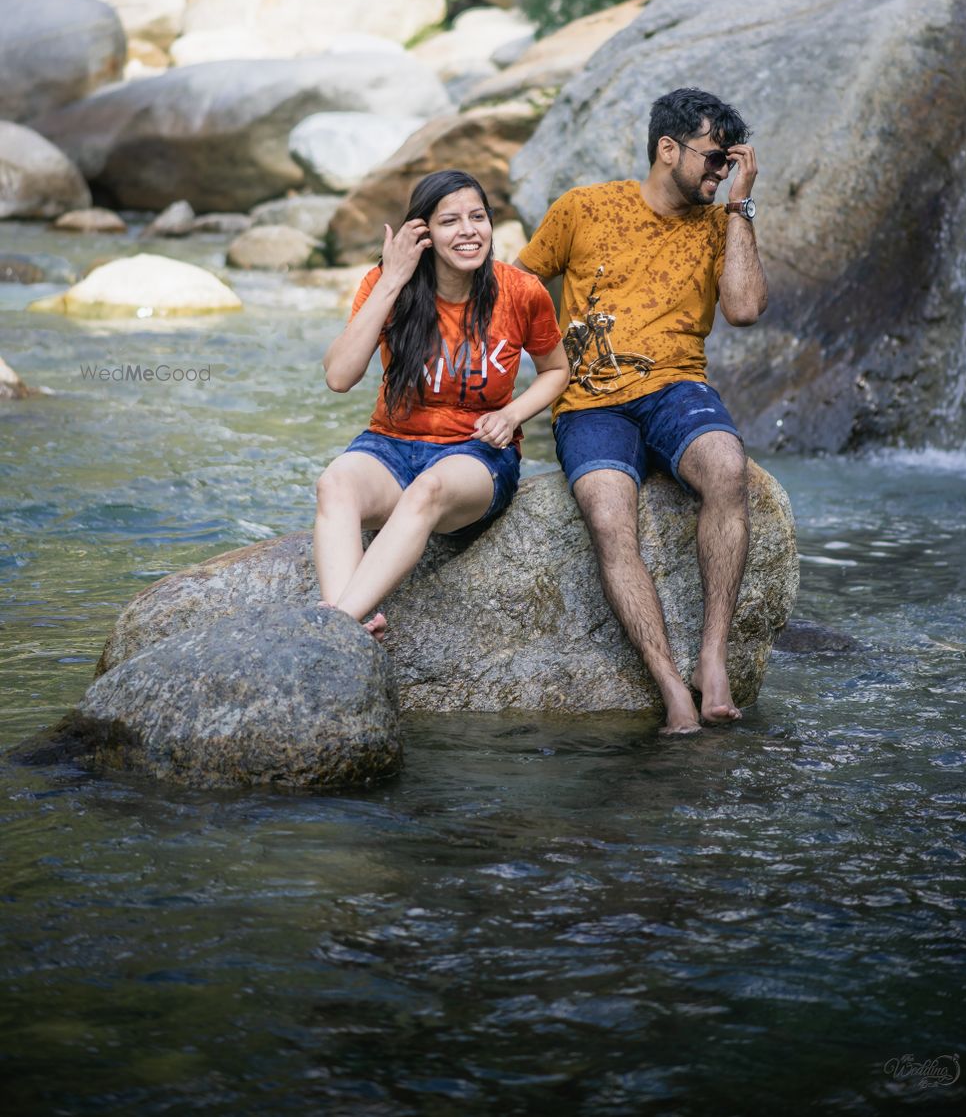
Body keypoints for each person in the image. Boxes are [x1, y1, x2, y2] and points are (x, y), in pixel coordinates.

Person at [516, 88, 768, 734]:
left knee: (727, 466)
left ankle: (712, 661)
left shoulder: (720, 222)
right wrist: (501, 404)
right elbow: (513, 293)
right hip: (589, 404)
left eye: (727, 163)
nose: (719, 171)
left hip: (677, 389)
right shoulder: (584, 208)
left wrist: (740, 201)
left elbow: (742, 308)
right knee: (607, 516)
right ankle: (669, 688)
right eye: (714, 159)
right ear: (667, 149)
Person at [315, 169, 570, 637]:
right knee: (335, 484)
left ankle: (336, 625)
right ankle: (351, 617)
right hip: (390, 446)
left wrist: (512, 414)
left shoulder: (520, 291)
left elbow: (557, 370)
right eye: (450, 221)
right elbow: (339, 376)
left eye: (478, 217)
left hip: (475, 455)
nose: (468, 230)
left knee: (426, 491)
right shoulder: (388, 283)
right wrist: (393, 280)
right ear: (424, 233)